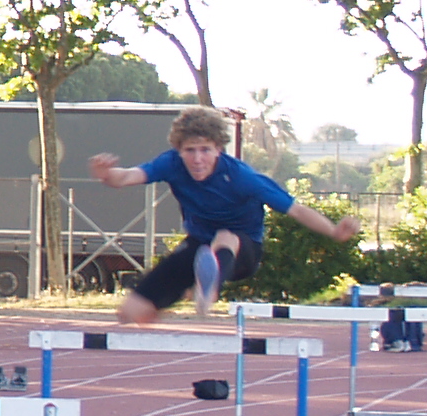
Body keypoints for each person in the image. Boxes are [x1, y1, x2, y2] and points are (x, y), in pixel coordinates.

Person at [88, 105, 360, 324]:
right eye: (189, 151)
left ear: (219, 149)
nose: (197, 159)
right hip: (198, 245)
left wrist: (333, 231)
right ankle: (190, 287)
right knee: (131, 313)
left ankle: (209, 287)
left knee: (224, 237)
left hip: (243, 250)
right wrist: (107, 175)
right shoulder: (171, 164)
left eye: (205, 150)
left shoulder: (241, 176)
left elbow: (295, 209)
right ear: (179, 150)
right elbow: (129, 176)